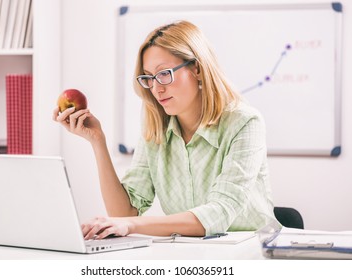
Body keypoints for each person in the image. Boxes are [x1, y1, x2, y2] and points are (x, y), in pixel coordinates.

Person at [53, 20, 275, 240]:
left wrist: (130, 225)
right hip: (191, 252)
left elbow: (219, 212)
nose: (157, 88)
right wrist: (97, 141)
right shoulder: (156, 128)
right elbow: (123, 213)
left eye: (164, 73)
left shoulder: (245, 123)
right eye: (149, 77)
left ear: (197, 69)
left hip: (251, 251)